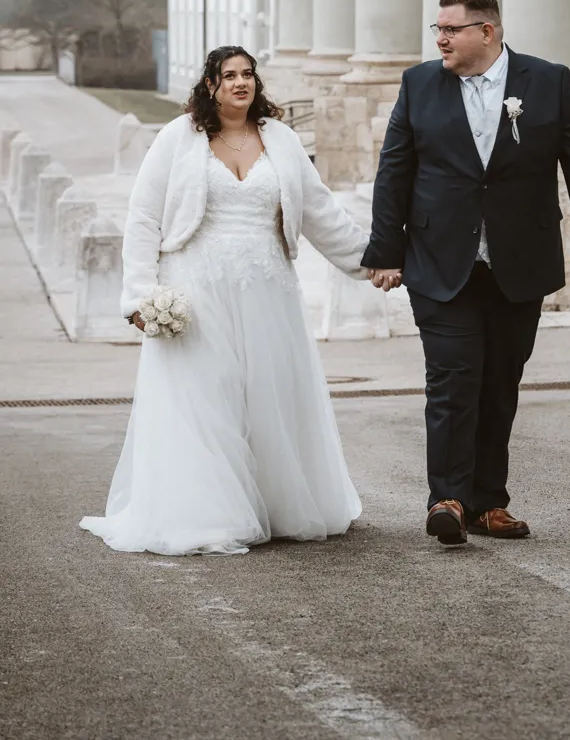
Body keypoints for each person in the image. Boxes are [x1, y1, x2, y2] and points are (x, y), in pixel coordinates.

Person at [80, 45, 368, 556]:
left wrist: (373, 261)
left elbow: (320, 210)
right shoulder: (178, 137)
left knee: (268, 394)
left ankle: (278, 505)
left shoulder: (281, 138)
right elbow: (144, 217)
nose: (240, 83)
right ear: (209, 85)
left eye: (248, 74)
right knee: (207, 397)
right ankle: (209, 513)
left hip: (267, 287)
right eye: (228, 75)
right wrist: (140, 295)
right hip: (197, 286)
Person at [364, 0, 570, 546]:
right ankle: (447, 499)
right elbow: (394, 171)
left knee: (500, 382)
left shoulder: (546, 81)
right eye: (438, 30)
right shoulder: (419, 83)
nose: (441, 39)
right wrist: (384, 252)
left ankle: (487, 502)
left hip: (518, 262)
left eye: (451, 29)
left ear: (488, 32)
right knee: (453, 380)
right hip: (438, 262)